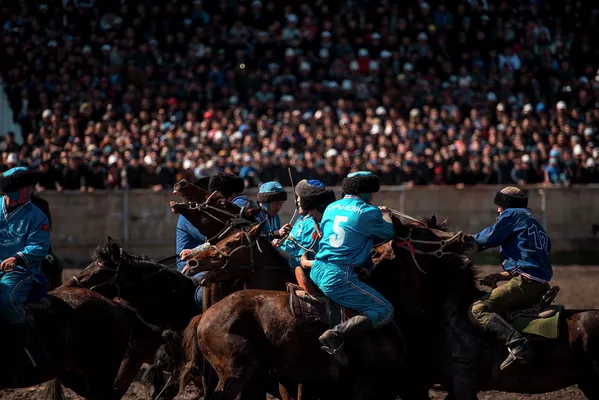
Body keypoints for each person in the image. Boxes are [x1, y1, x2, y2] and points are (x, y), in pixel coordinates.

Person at [300, 171, 395, 366]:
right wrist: (385, 214)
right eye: (372, 192)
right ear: (365, 192)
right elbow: (389, 232)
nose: (373, 196)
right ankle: (335, 335)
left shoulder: (331, 207)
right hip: (338, 277)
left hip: (317, 269)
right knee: (385, 309)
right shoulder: (370, 212)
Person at [468, 186, 552, 371]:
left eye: (500, 206)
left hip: (525, 285)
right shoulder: (536, 226)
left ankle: (518, 344)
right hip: (538, 285)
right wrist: (500, 275)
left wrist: (463, 241)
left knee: (477, 309)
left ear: (508, 205)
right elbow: (531, 265)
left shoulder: (514, 214)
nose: (498, 210)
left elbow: (488, 236)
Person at [0, 167, 50, 364]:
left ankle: (28, 340)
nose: (31, 191)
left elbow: (40, 246)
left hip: (21, 272)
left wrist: (18, 258)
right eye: (26, 187)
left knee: (6, 298)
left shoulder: (37, 216)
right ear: (12, 190)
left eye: (31, 187)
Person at [279, 179, 335, 269]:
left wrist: (277, 251)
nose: (297, 201)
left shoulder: (313, 225)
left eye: (300, 197)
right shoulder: (301, 218)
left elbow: (301, 259)